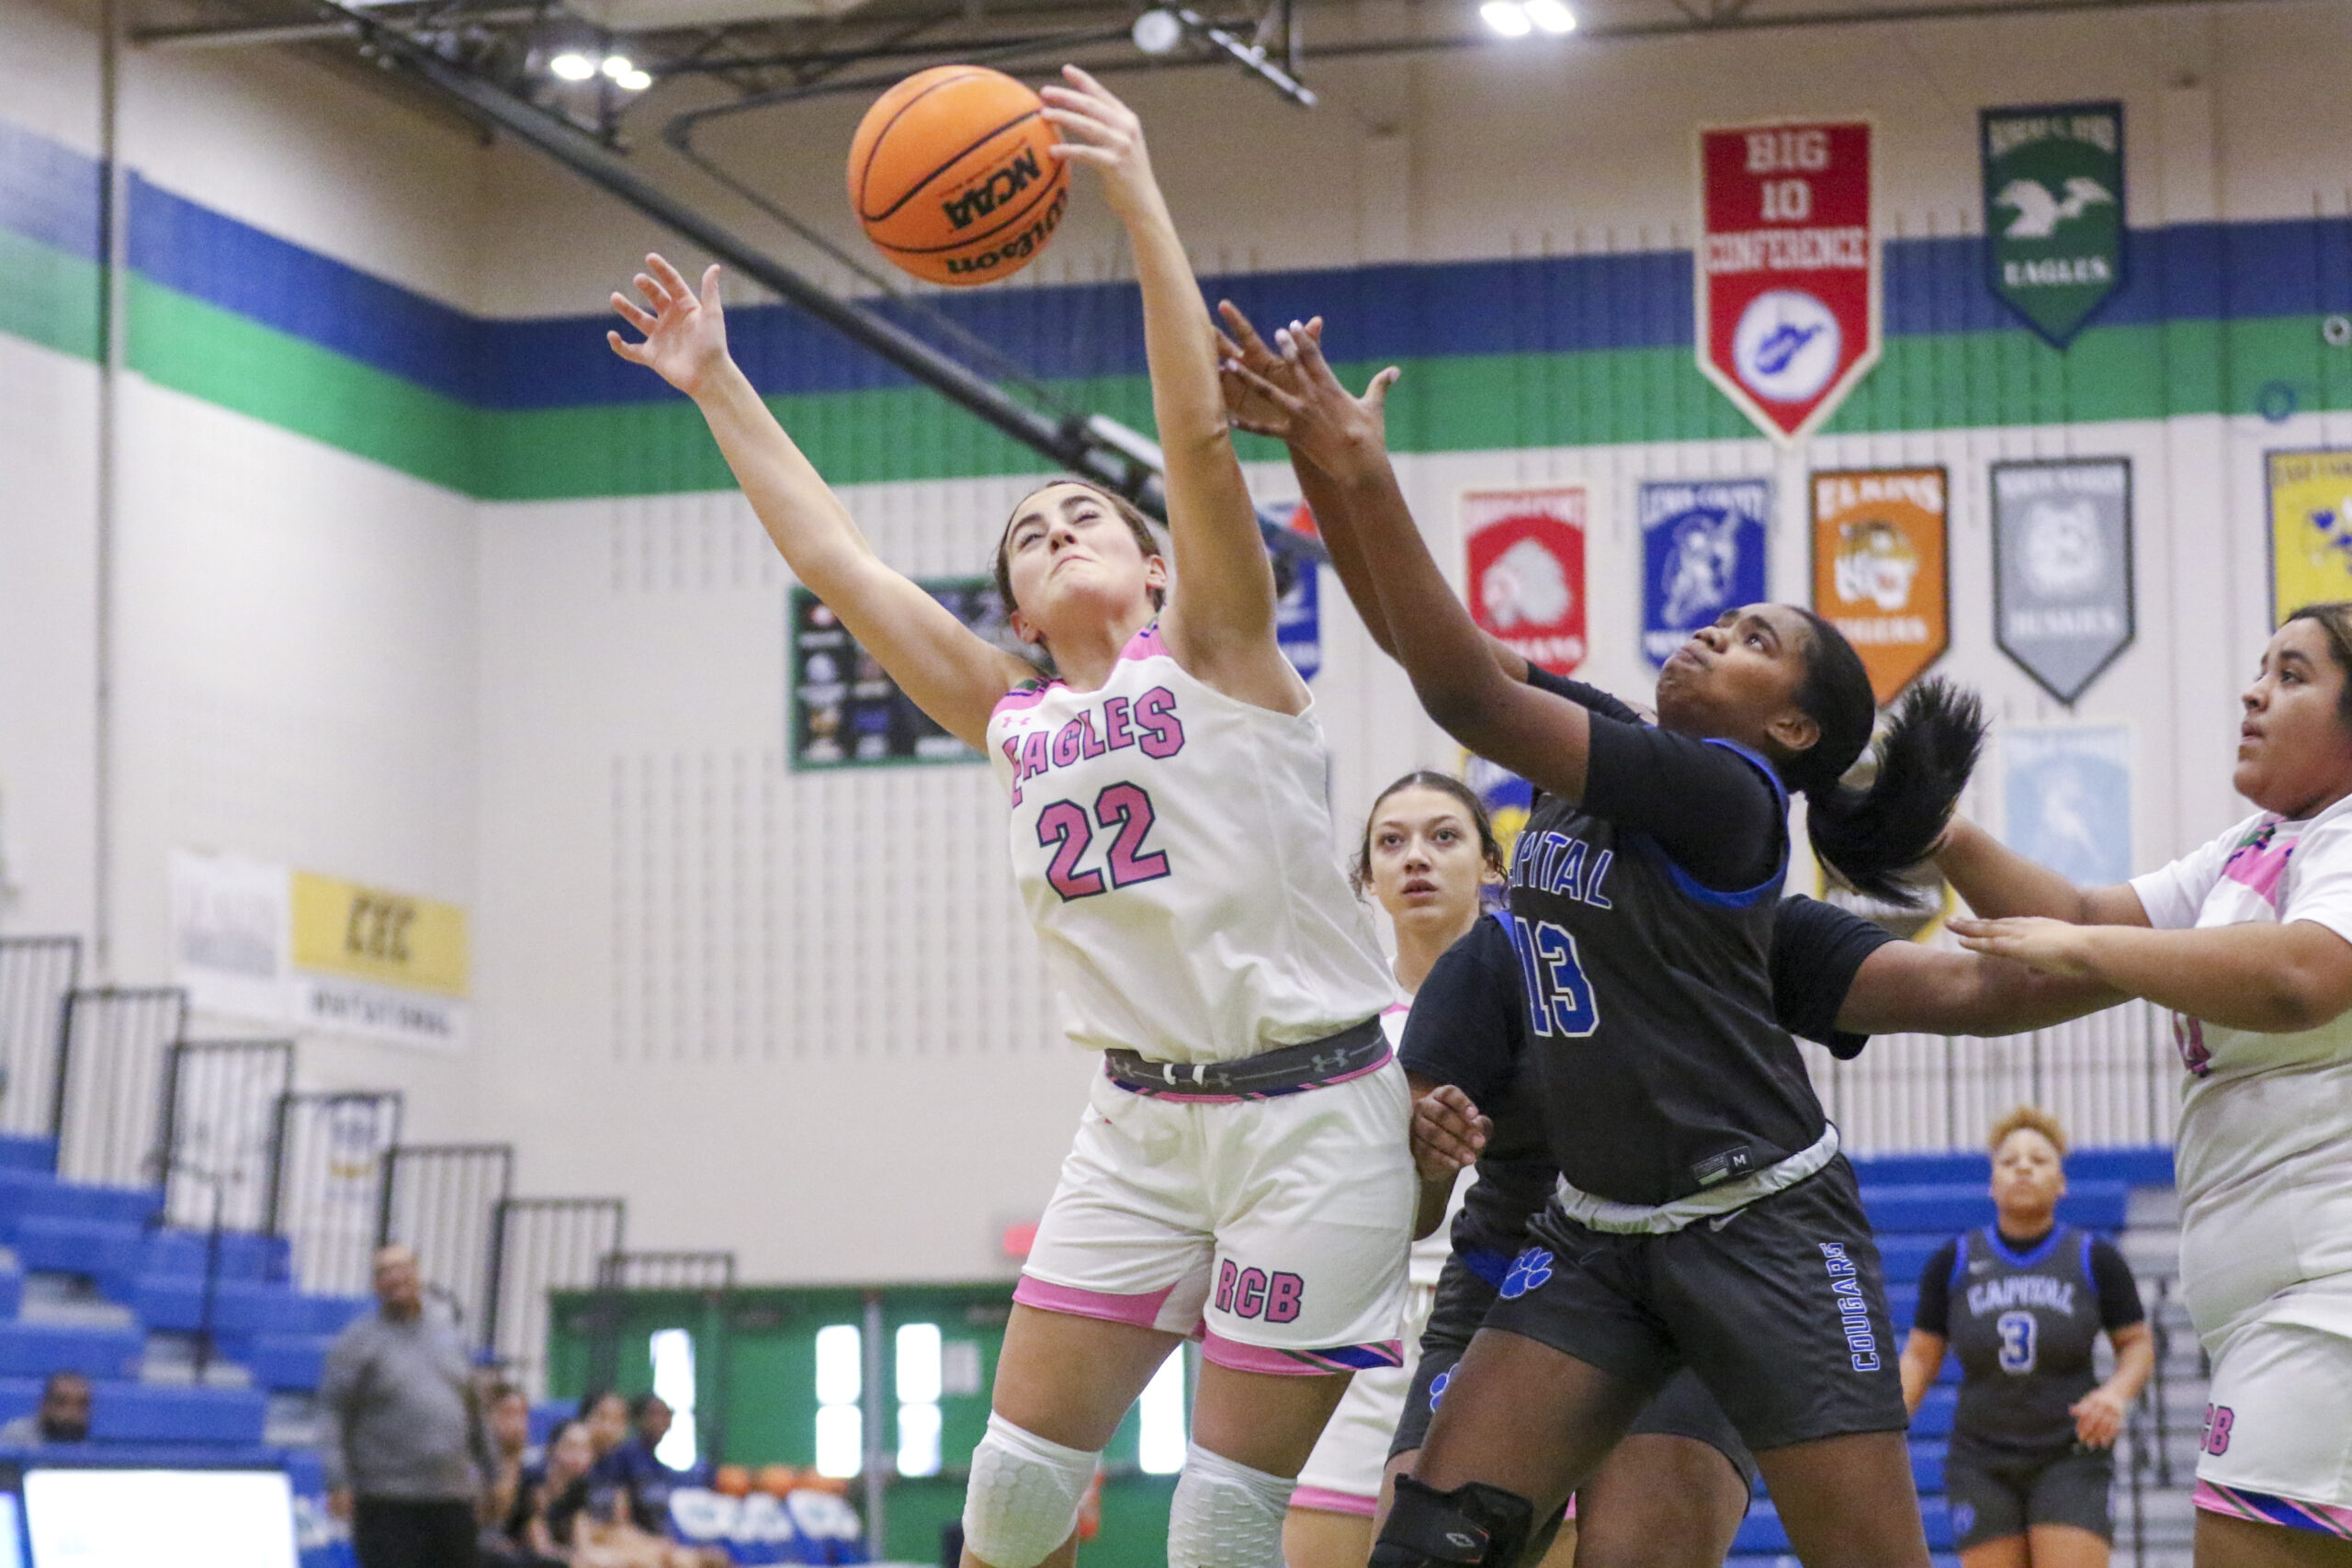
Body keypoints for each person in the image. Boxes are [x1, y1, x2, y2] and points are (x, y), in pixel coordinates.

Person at [608, 69, 1412, 1568]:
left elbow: (1193, 435)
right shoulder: (1010, 710)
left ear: (1157, 565)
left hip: (1313, 1116)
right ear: (1021, 610)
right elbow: (840, 561)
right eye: (1029, 536)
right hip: (1140, 1119)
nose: (1057, 529)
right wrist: (716, 381)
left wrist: (1137, 191)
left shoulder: (1221, 648)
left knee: (1222, 1523)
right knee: (1016, 1491)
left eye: (1085, 513)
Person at [1214, 305, 1984, 1568]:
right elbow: (1420, 641)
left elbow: (1463, 694)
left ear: (1791, 730)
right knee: (1428, 1546)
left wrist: (1364, 469)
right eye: (1724, 619)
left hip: (1762, 1228)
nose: (1713, 630)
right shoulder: (1610, 744)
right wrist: (1317, 450)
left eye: (1754, 641)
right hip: (1596, 1230)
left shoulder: (1728, 795)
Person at [1935, 604, 2352, 1566]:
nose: (2253, 692)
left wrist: (2089, 948)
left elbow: (2303, 975)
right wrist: (1937, 830)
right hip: (2277, 1306)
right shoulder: (2252, 844)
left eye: (2292, 675)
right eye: (2261, 669)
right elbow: (2080, 912)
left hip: (2324, 1298)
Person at [1285, 772, 1505, 1568]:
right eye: (1392, 841)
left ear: (1490, 864)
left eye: (1444, 835)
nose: (1417, 856)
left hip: (1509, 1322)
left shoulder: (1549, 1006)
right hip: (1362, 1327)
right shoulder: (1334, 1023)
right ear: (1366, 878)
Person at [1897, 1108, 2153, 1568]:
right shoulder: (1953, 1261)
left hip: (2071, 1454)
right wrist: (1887, 1428)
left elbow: (2136, 1344)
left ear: (2062, 1182)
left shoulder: (2095, 1259)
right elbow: (1919, 1358)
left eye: (2038, 1160)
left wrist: (2116, 1394)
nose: (2023, 1168)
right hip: (1981, 1460)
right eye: (2009, 1161)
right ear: (1991, 1183)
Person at [322, 1244, 491, 1568]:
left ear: (417, 1273)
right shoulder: (357, 1343)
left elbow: (473, 1407)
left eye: (402, 1268)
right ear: (375, 1285)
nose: (395, 1277)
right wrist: (337, 1481)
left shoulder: (448, 1333)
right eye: (384, 1271)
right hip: (387, 1500)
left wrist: (492, 1470)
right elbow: (332, 1413)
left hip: (451, 1497)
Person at [0, 1371, 90, 1445]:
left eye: (81, 1405)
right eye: (61, 1403)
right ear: (44, 1404)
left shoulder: (87, 1448)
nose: (71, 1413)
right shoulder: (14, 1439)